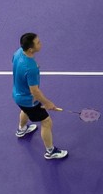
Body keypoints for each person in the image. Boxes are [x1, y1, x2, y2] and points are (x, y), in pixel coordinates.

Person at [12, 32, 67, 160]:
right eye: (38, 43)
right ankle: (50, 151)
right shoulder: (31, 68)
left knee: (24, 110)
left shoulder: (18, 52)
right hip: (29, 100)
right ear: (31, 49)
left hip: (17, 94)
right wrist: (47, 103)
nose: (41, 43)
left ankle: (21, 129)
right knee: (46, 122)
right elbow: (35, 91)